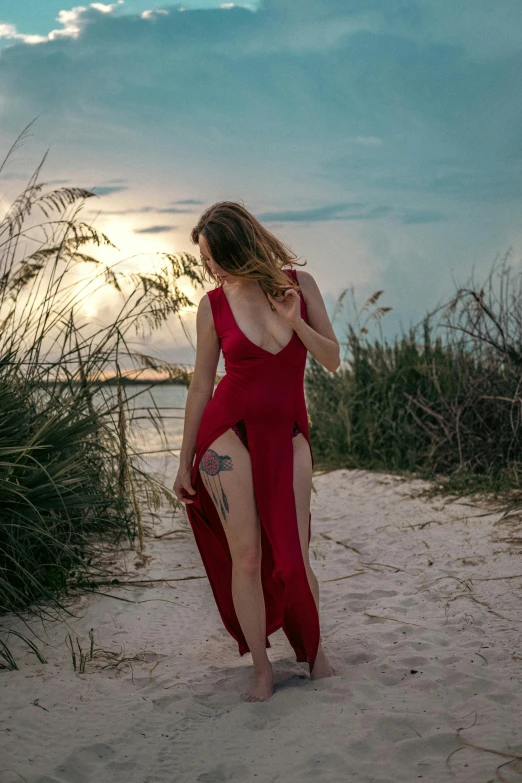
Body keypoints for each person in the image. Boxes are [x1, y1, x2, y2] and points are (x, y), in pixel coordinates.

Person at [173, 201, 340, 702]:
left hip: (287, 431)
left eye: (213, 258)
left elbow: (330, 359)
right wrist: (184, 461)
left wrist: (296, 320)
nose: (211, 270)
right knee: (247, 556)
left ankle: (315, 651)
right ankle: (262, 669)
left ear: (236, 247)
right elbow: (202, 386)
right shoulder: (213, 305)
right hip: (226, 431)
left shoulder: (299, 286)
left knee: (294, 555)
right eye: (205, 263)